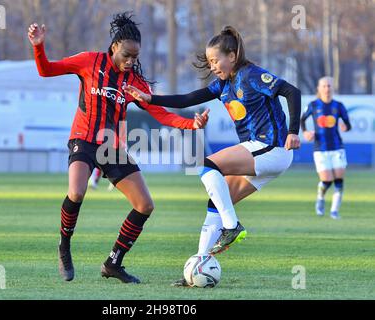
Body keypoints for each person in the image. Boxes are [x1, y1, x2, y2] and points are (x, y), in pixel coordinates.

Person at [27, 12, 209, 284]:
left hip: (110, 147)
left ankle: (113, 263)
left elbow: (160, 114)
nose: (131, 61)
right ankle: (64, 246)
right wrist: (38, 46)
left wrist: (190, 125)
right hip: (84, 139)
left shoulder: (134, 81)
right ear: (114, 47)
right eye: (126, 55)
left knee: (144, 205)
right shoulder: (90, 61)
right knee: (76, 191)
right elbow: (46, 70)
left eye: (135, 57)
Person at [125, 25, 301, 286]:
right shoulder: (223, 85)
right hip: (261, 152)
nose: (213, 65)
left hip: (273, 148)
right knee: (216, 202)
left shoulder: (251, 74)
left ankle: (232, 226)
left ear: (232, 56)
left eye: (216, 60)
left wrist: (293, 131)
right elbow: (187, 98)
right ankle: (197, 266)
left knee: (208, 165)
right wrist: (149, 99)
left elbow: (292, 92)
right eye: (209, 62)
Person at [300, 77, 351, 219]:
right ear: (319, 88)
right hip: (320, 148)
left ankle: (334, 211)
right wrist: (305, 132)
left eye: (329, 86)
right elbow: (302, 119)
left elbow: (348, 124)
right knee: (327, 180)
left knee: (339, 180)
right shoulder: (313, 105)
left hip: (337, 147)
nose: (327, 89)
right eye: (324, 86)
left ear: (332, 88)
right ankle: (320, 198)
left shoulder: (339, 106)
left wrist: (345, 127)